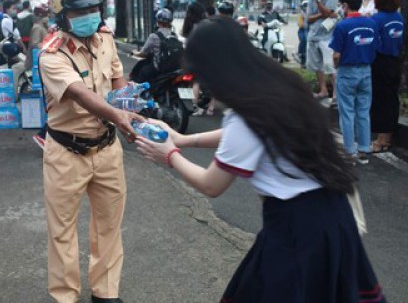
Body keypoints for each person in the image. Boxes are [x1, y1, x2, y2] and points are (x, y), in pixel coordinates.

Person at [135, 16, 385, 303]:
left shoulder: (246, 113)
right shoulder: (277, 86)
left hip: (300, 227)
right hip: (333, 215)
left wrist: (169, 155)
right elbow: (249, 132)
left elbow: (211, 184)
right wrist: (183, 140)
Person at [39, 0, 142, 303]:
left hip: (107, 148)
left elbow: (116, 77)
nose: (89, 15)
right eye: (79, 10)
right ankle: (65, 296)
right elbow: (81, 95)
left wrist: (127, 104)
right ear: (61, 14)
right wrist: (118, 116)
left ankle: (105, 292)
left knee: (109, 225)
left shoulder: (105, 38)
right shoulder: (52, 54)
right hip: (67, 152)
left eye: (94, 8)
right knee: (62, 230)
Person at [329, 0, 378, 164]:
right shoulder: (371, 24)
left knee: (347, 113)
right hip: (366, 71)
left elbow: (336, 55)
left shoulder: (342, 26)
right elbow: (375, 47)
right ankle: (364, 149)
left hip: (347, 71)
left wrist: (336, 67)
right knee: (363, 112)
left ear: (345, 5)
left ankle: (350, 152)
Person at [370, 0, 405, 153]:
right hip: (395, 62)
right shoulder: (399, 18)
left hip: (380, 63)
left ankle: (381, 140)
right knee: (392, 98)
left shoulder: (376, 20)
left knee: (380, 100)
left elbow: (372, 44)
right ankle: (388, 136)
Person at [305, 0, 338, 105]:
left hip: (327, 36)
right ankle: (323, 90)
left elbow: (327, 12)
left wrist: (319, 1)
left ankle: (335, 94)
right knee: (317, 66)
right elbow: (309, 19)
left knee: (330, 65)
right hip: (313, 36)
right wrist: (323, 14)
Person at [130, 8, 180, 83]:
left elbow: (143, 53)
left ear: (158, 22)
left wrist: (134, 52)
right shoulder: (174, 35)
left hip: (158, 68)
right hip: (173, 68)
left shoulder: (154, 36)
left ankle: (140, 90)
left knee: (142, 73)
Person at [181, 2, 211, 116]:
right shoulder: (203, 24)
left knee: (191, 82)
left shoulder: (188, 24)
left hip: (189, 55)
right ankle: (195, 106)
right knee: (197, 82)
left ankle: (190, 105)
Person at [293, 0, 309, 67]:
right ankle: (300, 54)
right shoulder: (301, 14)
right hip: (302, 30)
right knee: (304, 40)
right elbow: (300, 25)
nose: (306, 7)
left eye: (307, 5)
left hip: (310, 30)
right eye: (305, 6)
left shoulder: (312, 13)